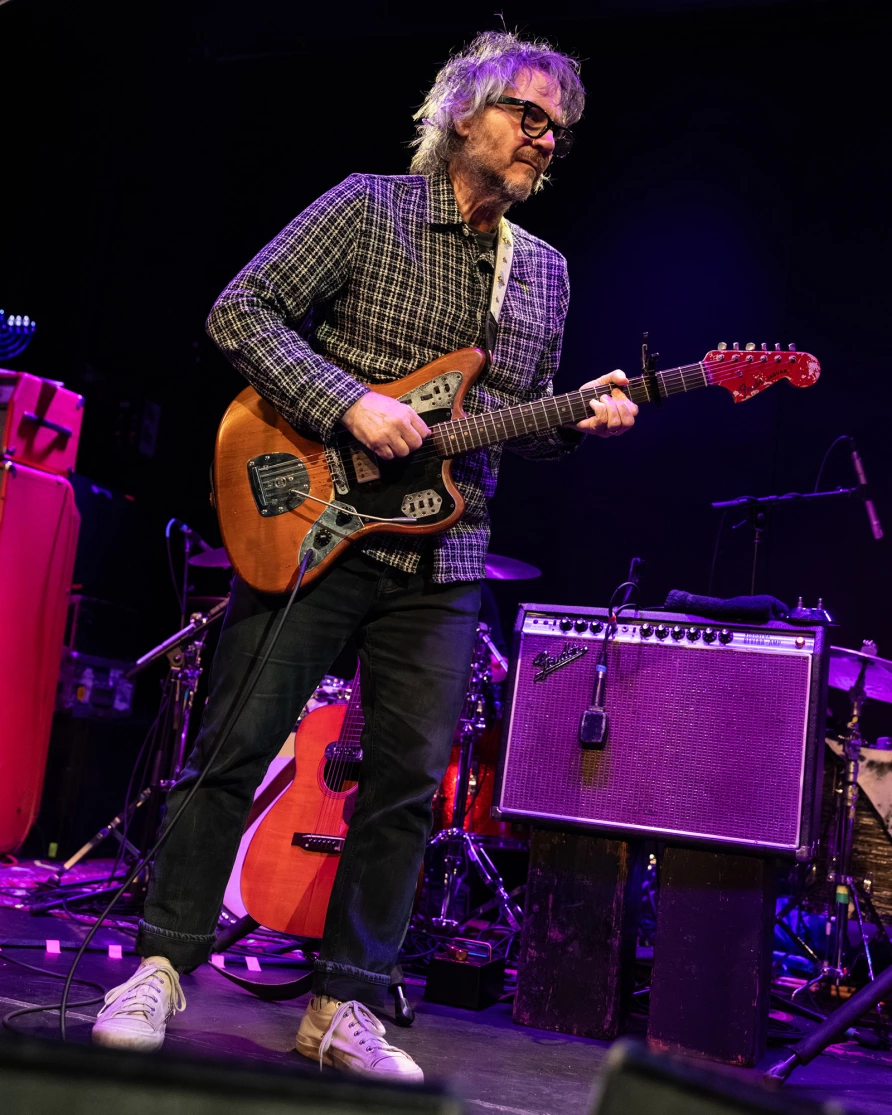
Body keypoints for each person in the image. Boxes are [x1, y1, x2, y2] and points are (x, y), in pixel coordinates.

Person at [91, 30, 637, 1080]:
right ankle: (160, 962)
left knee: (404, 786)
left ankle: (344, 999)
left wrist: (580, 419)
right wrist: (348, 400)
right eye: (527, 115)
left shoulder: (546, 273)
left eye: (557, 129)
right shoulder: (368, 205)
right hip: (313, 524)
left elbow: (519, 415)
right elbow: (239, 309)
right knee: (232, 746)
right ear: (464, 112)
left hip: (449, 550)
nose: (544, 139)